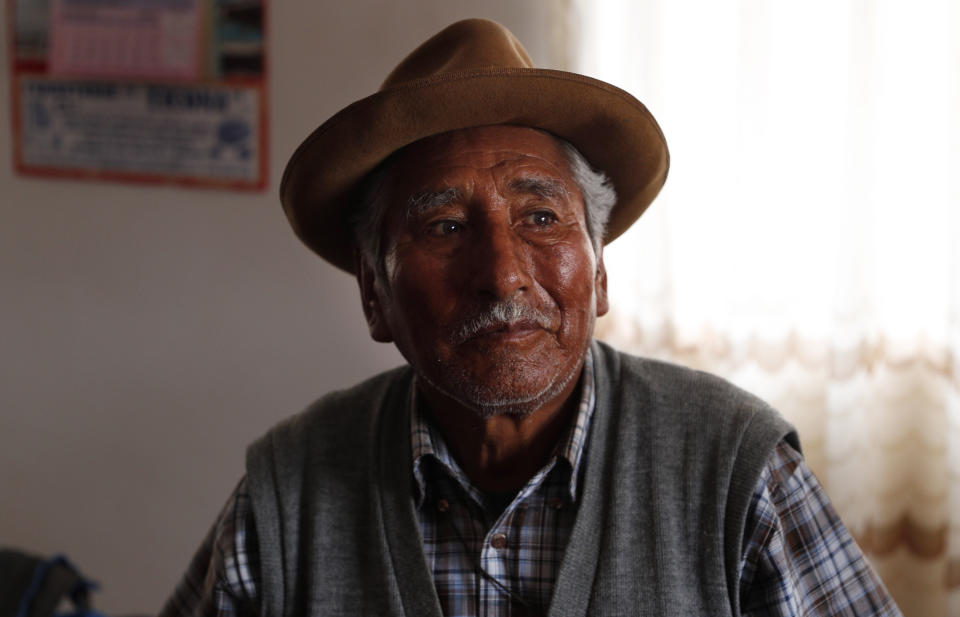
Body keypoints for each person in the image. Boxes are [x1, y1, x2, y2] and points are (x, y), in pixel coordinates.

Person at [160, 19, 902, 617]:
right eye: (445, 226)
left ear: (600, 266)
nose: (504, 273)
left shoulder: (735, 470)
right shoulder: (290, 490)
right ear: (373, 292)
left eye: (541, 215)